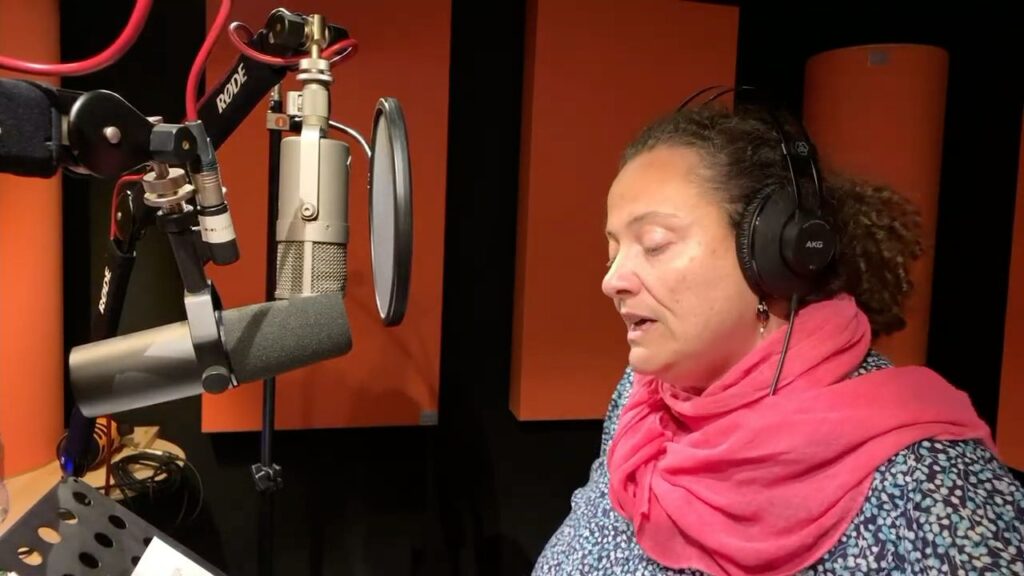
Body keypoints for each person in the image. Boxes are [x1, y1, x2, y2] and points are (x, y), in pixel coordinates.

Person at [532, 92, 1024, 576]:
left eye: (654, 244)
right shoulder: (641, 396)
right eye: (613, 251)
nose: (612, 280)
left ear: (772, 254)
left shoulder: (932, 485)